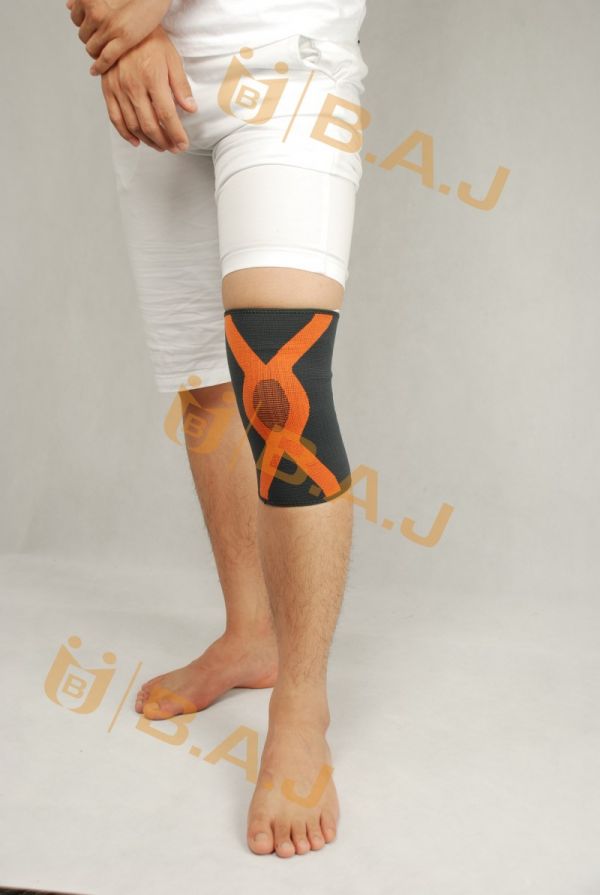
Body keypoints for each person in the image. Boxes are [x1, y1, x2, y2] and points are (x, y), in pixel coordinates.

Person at [65, 0, 368, 859]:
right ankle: (249, 633)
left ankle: (301, 706)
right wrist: (122, 33)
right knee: (202, 384)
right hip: (148, 77)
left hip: (285, 63)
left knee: (280, 390)